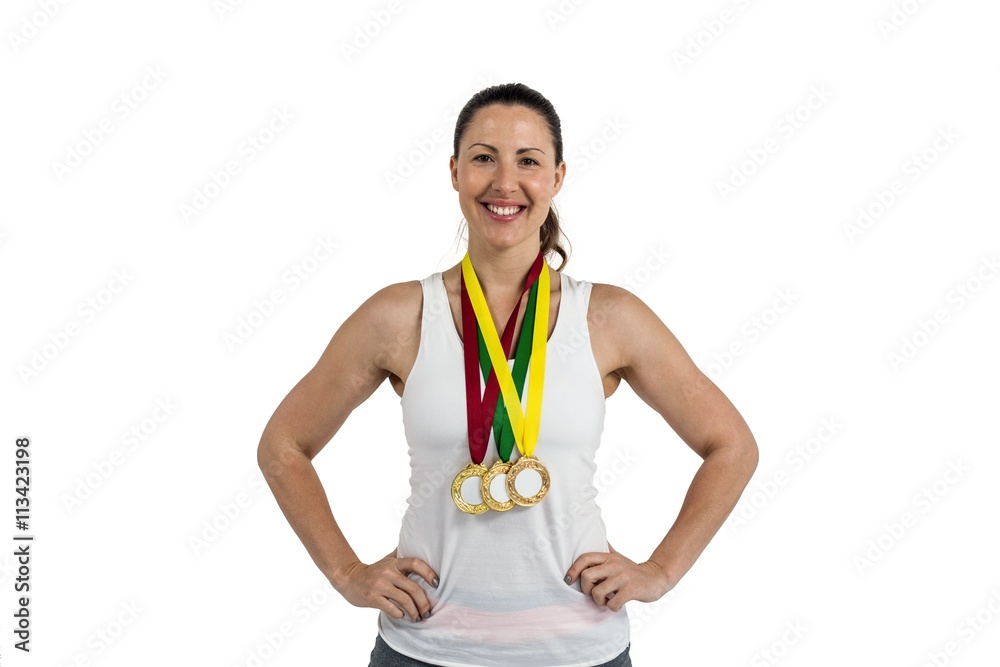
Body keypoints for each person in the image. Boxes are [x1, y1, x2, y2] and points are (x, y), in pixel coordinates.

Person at [257, 82, 759, 667]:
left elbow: (732, 446)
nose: (504, 183)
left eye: (528, 161)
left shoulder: (610, 317)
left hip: (580, 650)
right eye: (483, 158)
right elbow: (283, 445)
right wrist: (346, 573)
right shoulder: (398, 316)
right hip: (424, 649)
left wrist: (661, 571)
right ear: (454, 171)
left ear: (557, 176)